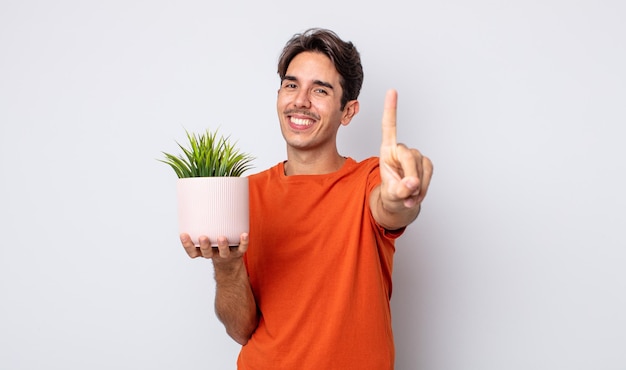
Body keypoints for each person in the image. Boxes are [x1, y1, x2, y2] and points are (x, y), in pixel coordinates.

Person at [180, 28, 433, 370]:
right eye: (291, 85)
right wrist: (227, 267)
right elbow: (241, 330)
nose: (300, 100)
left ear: (348, 111)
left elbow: (389, 208)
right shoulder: (245, 192)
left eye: (320, 90)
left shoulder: (369, 179)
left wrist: (400, 196)